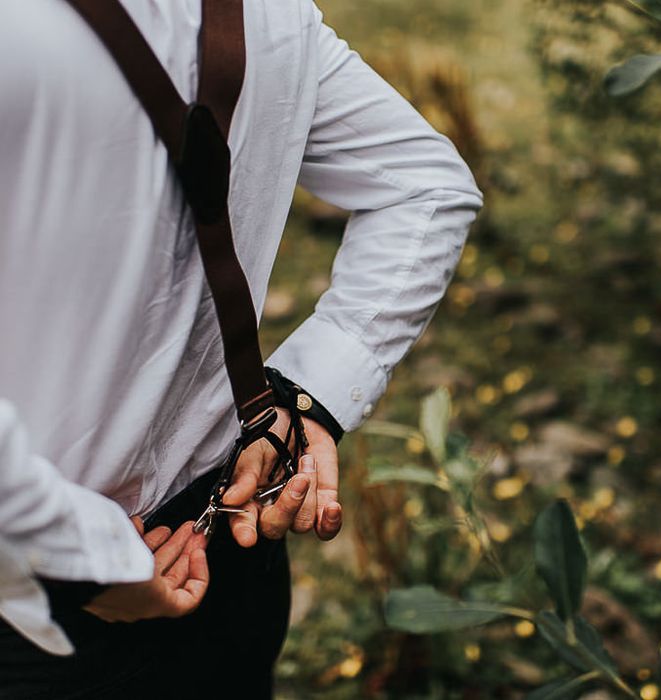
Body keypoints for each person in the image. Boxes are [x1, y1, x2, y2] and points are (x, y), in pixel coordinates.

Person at [0, 0, 483, 697]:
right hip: (230, 557)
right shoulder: (271, 15)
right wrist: (311, 390)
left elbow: (425, 184)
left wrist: (82, 561)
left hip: (35, 599)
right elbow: (425, 186)